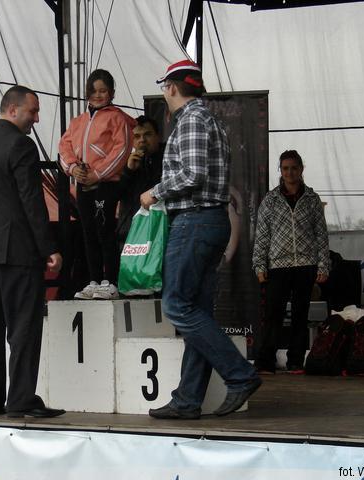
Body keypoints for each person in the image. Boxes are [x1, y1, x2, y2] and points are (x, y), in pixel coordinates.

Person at [140, 59, 261, 419]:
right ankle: (188, 399)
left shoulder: (191, 119)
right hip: (208, 221)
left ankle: (239, 374)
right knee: (197, 310)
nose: (164, 93)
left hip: (195, 221)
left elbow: (193, 174)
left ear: (172, 87)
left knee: (177, 306)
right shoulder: (210, 120)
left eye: (164, 87)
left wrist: (154, 192)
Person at [0, 85, 64, 418]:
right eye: (32, 111)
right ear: (12, 109)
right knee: (23, 328)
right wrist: (49, 247)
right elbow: (31, 201)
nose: (36, 119)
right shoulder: (21, 145)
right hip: (17, 250)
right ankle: (21, 399)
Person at [59, 69, 136, 300]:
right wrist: (73, 168)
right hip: (83, 184)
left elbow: (121, 149)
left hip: (106, 184)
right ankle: (93, 281)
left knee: (105, 231)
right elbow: (64, 147)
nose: (98, 95)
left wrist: (98, 174)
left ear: (111, 92)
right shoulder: (77, 122)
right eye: (94, 91)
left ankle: (110, 281)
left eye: (103, 91)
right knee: (88, 232)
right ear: (87, 93)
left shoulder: (117, 118)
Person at [252, 149, 330, 374]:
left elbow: (321, 235)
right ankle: (266, 361)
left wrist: (323, 265)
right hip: (278, 266)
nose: (289, 173)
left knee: (300, 315)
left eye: (294, 168)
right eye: (285, 168)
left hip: (306, 265)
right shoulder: (271, 200)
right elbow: (262, 235)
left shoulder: (312, 199)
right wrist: (259, 265)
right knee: (273, 315)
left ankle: (295, 360)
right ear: (280, 170)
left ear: (301, 169)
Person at [116, 115, 164, 251]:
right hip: (131, 233)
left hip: (159, 231)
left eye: (147, 134)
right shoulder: (124, 161)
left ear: (158, 137)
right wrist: (128, 171)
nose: (142, 140)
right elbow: (114, 195)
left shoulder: (168, 159)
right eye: (136, 136)